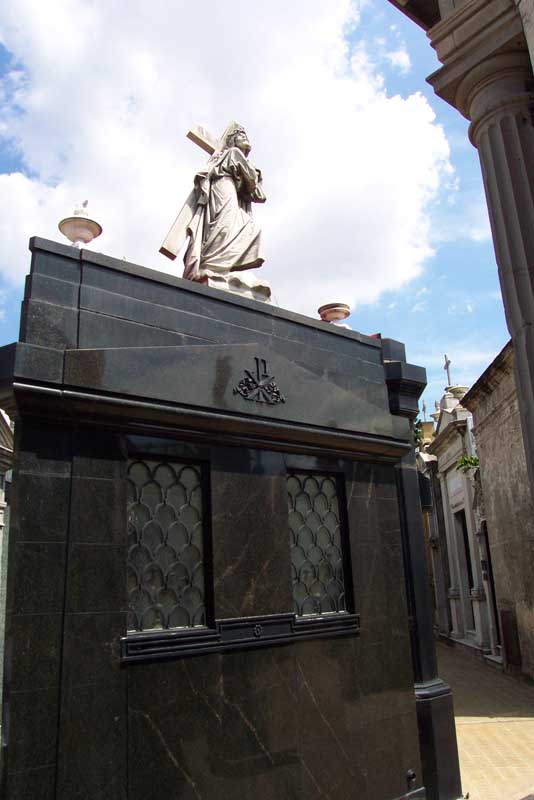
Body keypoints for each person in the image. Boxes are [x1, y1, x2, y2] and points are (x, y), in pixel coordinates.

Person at [183, 125, 268, 298]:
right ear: (232, 140)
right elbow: (252, 182)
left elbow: (257, 195)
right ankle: (211, 265)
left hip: (230, 191)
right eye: (240, 134)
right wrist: (254, 173)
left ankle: (220, 267)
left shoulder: (236, 157)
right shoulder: (233, 153)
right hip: (223, 188)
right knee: (223, 225)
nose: (245, 137)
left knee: (248, 228)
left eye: (245, 134)